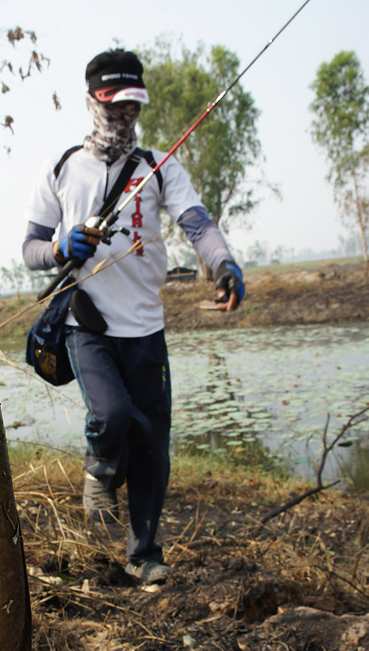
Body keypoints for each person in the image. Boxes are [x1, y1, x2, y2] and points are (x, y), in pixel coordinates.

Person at [22, 49, 244, 584]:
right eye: (113, 103)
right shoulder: (62, 169)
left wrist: (223, 263)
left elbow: (197, 224)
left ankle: (144, 553)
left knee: (153, 444)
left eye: (132, 105)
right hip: (86, 322)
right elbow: (28, 249)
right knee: (113, 415)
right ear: (93, 100)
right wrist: (60, 247)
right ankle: (100, 467)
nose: (124, 114)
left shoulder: (159, 169)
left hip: (146, 328)